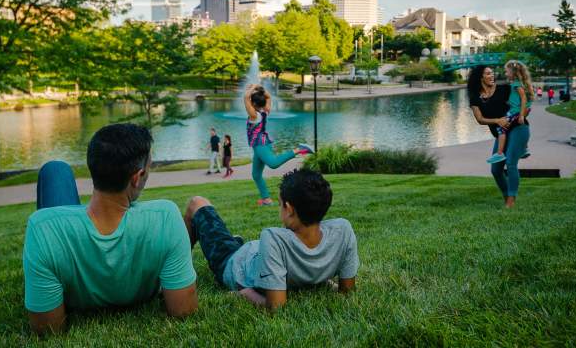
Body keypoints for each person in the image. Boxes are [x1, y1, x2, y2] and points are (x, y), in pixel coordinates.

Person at [23, 124, 198, 335]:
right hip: (102, 227)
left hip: (65, 230)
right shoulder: (165, 218)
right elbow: (183, 311)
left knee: (55, 169)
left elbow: (48, 330)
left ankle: (78, 212)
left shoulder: (43, 229)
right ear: (137, 177)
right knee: (57, 173)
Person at [183, 169, 359, 310]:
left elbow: (276, 306)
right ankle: (236, 241)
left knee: (197, 203)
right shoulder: (343, 229)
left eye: (280, 203)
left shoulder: (273, 238)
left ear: (289, 209)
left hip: (233, 261)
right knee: (236, 242)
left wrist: (244, 294)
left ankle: (178, 269)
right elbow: (347, 291)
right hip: (253, 252)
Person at [468, 65, 530, 208]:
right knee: (495, 169)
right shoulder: (475, 97)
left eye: (492, 73)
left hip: (518, 129)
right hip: (500, 135)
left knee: (511, 163)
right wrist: (497, 120)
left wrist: (521, 114)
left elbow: (524, 100)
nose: (492, 76)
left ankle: (511, 199)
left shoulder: (504, 89)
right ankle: (506, 195)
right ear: (480, 77)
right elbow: (480, 119)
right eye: (488, 74)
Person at [244, 84, 313, 206]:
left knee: (273, 163)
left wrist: (253, 87)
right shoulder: (265, 111)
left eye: (251, 102)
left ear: (254, 104)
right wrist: (260, 89)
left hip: (260, 144)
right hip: (261, 144)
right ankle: (266, 199)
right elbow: (269, 97)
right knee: (256, 174)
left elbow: (245, 98)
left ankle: (299, 149)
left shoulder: (254, 116)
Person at [487, 60, 533, 164]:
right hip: (515, 110)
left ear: (514, 72)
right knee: (508, 127)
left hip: (515, 111)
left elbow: (523, 98)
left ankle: (499, 154)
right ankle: (524, 149)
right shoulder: (518, 84)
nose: (506, 73)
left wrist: (521, 115)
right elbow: (520, 99)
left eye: (507, 71)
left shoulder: (516, 84)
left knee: (500, 128)